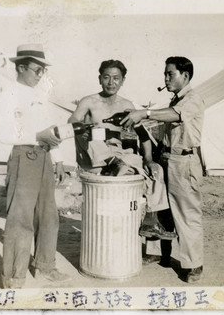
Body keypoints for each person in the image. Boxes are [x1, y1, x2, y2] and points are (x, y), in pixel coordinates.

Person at [68, 59, 176, 240]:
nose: (111, 82)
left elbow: (143, 135)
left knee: (155, 172)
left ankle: (150, 220)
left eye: (116, 78)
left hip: (118, 155)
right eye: (106, 77)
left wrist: (149, 160)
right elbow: (72, 122)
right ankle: (113, 163)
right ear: (100, 79)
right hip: (93, 154)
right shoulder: (89, 101)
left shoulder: (126, 106)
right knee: (89, 131)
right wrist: (87, 127)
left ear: (123, 80)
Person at [122, 56, 205, 283]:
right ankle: (160, 255)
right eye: (165, 74)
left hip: (183, 162)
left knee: (187, 213)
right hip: (167, 159)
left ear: (185, 76)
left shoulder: (192, 100)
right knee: (160, 208)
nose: (166, 78)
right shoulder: (175, 100)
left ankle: (193, 265)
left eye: (171, 74)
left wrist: (144, 113)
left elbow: (176, 115)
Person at [0, 43, 70, 289]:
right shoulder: (9, 93)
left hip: (44, 156)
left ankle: (45, 267)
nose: (40, 75)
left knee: (49, 215)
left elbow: (49, 129)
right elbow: (4, 133)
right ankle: (14, 277)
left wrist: (57, 159)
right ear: (21, 67)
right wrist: (38, 136)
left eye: (42, 71)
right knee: (20, 219)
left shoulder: (39, 96)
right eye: (37, 70)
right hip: (23, 156)